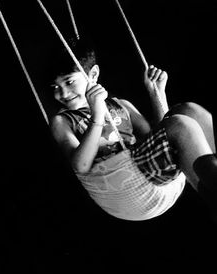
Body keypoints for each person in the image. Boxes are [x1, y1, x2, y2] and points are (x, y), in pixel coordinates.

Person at [48, 39, 217, 222]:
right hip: (123, 186)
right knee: (179, 124)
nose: (63, 93)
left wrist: (157, 93)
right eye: (55, 87)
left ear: (93, 74)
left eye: (69, 82)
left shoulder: (121, 105)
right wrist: (97, 115)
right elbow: (80, 166)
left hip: (147, 166)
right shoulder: (62, 120)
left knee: (188, 110)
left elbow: (159, 135)